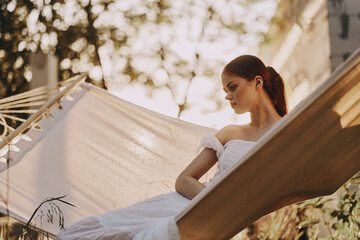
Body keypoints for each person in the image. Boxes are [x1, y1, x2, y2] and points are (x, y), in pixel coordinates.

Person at [57, 55, 287, 240]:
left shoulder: (290, 133)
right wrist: (215, 201)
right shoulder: (229, 132)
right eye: (225, 91)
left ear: (257, 82)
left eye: (232, 87)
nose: (227, 96)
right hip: (187, 204)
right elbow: (184, 179)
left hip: (214, 218)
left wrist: (221, 208)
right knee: (87, 234)